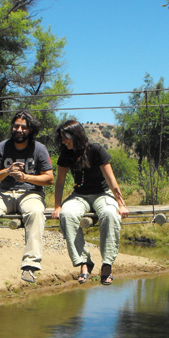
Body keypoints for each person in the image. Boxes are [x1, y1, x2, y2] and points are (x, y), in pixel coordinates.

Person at [0, 110, 54, 283]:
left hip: (31, 194)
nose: (19, 129)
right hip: (3, 193)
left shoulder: (39, 148)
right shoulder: (3, 146)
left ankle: (30, 266)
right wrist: (7, 171)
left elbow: (49, 178)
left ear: (30, 130)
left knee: (35, 213)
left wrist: (25, 177)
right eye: (16, 126)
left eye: (24, 127)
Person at [51, 120, 129, 285]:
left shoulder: (96, 149)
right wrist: (58, 206)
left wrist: (121, 203)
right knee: (67, 214)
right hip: (79, 195)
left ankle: (107, 264)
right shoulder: (66, 153)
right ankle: (84, 262)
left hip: (102, 193)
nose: (64, 141)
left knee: (109, 214)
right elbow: (60, 182)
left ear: (76, 135)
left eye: (66, 138)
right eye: (62, 138)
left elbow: (110, 178)